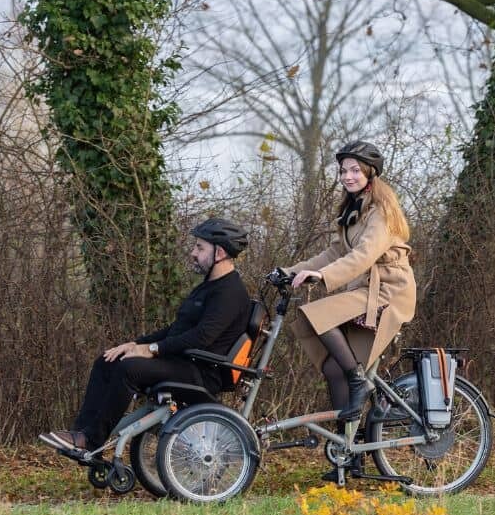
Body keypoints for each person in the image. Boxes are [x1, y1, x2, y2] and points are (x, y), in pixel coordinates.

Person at [40, 218, 251, 452]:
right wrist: (135, 344)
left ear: (219, 252)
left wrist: (152, 350)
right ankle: (80, 435)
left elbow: (201, 338)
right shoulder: (209, 286)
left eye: (200, 247)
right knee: (107, 361)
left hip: (203, 371)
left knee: (129, 369)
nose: (193, 253)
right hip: (186, 362)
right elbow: (177, 330)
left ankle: (91, 441)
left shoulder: (230, 292)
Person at [283, 141, 416, 429]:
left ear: (371, 174)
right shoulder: (351, 211)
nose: (347, 176)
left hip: (388, 292)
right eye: (343, 171)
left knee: (316, 314)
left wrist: (324, 277)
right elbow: (333, 253)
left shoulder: (381, 211)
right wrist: (290, 271)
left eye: (355, 170)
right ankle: (349, 451)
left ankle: (359, 382)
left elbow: (364, 255)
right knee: (333, 368)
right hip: (364, 292)